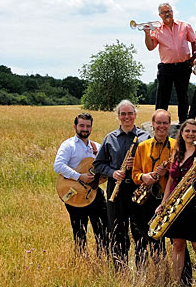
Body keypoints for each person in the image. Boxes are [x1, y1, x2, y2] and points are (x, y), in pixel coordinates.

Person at [92, 100, 150, 268]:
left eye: (130, 113)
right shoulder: (109, 138)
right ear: (118, 116)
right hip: (116, 189)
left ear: (135, 115)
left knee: (140, 230)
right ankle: (120, 268)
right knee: (118, 230)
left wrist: (138, 166)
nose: (127, 117)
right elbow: (98, 164)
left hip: (138, 189)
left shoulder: (145, 137)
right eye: (123, 114)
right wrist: (113, 172)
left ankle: (141, 269)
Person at [159, 119, 196, 287]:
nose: (190, 134)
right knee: (177, 245)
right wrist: (164, 202)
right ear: (181, 133)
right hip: (176, 204)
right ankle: (176, 284)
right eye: (187, 131)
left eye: (194, 131)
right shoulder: (177, 152)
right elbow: (171, 179)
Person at [53, 112, 109, 255]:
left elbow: (104, 169)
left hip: (94, 193)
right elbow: (58, 166)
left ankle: (102, 258)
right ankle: (81, 259)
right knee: (79, 230)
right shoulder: (68, 145)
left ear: (91, 128)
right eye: (82, 125)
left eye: (88, 126)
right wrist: (79, 176)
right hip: (74, 193)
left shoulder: (97, 146)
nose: (85, 129)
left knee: (103, 228)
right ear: (75, 126)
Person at [130, 109, 175, 268]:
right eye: (158, 123)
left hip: (166, 199)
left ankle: (164, 273)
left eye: (165, 123)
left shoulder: (176, 146)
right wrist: (144, 177)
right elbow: (135, 173)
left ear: (169, 125)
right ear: (153, 124)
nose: (161, 126)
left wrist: (167, 172)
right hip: (145, 199)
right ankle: (144, 272)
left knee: (164, 239)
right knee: (142, 238)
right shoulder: (143, 146)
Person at [143, 3, 196, 125]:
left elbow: (194, 42)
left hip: (183, 65)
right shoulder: (156, 30)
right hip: (166, 67)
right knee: (163, 96)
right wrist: (147, 34)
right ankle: (159, 122)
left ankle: (183, 122)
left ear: (172, 12)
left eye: (169, 11)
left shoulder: (184, 26)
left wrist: (193, 57)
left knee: (183, 96)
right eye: (164, 12)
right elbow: (150, 47)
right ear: (160, 15)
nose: (167, 14)